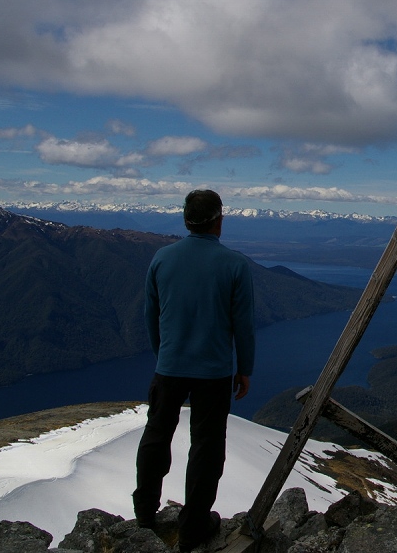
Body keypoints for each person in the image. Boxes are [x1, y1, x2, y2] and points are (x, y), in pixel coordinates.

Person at [132, 189, 255, 551]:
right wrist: (244, 369)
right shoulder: (234, 265)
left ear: (186, 220)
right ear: (219, 219)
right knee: (207, 446)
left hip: (169, 366)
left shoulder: (162, 258)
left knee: (157, 435)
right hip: (214, 373)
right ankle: (194, 526)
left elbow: (150, 316)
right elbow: (243, 325)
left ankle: (144, 513)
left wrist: (163, 356)